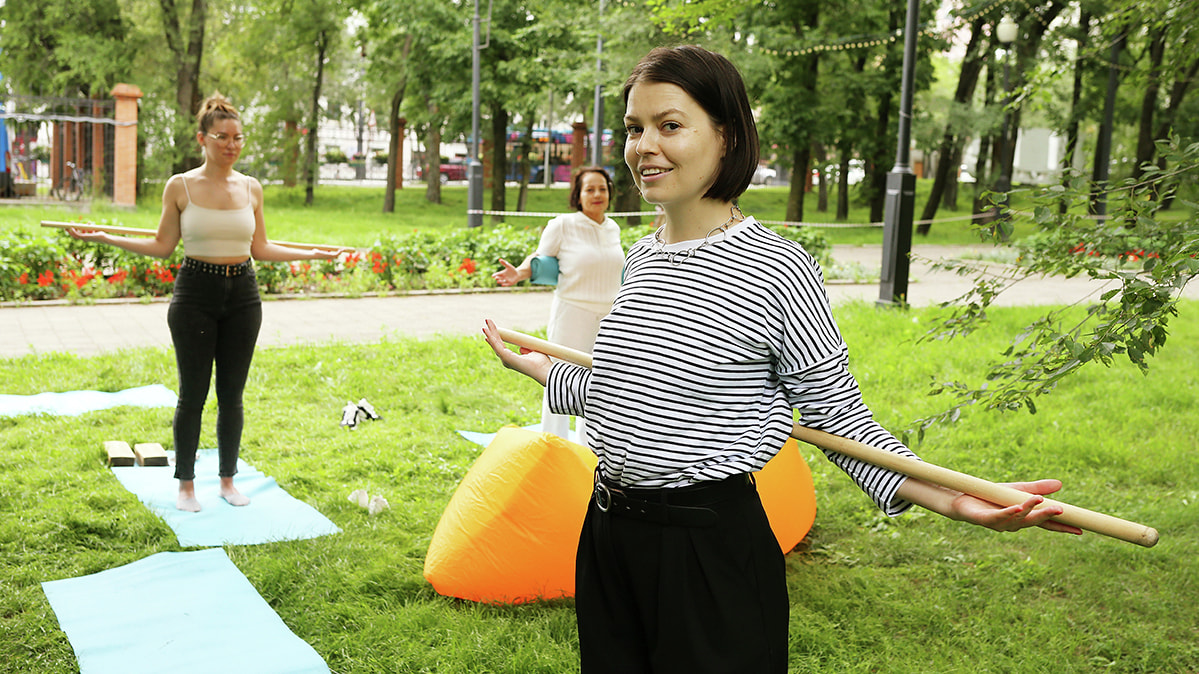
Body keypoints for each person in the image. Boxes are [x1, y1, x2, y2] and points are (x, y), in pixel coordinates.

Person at [482, 45, 1082, 673]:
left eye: (670, 125)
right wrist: (542, 371)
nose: (644, 146)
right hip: (608, 532)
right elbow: (632, 392)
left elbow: (839, 421)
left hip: (708, 548)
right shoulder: (641, 257)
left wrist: (956, 499)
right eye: (635, 128)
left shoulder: (775, 267)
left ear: (727, 135)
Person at [70, 93, 341, 513]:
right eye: (222, 137)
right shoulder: (180, 186)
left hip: (244, 295)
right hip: (196, 292)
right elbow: (162, 246)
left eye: (238, 138)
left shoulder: (251, 187)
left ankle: (228, 480)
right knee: (192, 394)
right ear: (203, 138)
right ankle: (186, 486)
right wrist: (105, 239)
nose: (231, 145)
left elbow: (262, 247)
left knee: (232, 395)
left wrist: (314, 254)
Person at [491, 167, 624, 444]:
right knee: (558, 379)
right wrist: (519, 273)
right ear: (578, 195)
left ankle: (589, 449)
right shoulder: (563, 224)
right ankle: (551, 444)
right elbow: (540, 257)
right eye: (590, 189)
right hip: (572, 313)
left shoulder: (613, 227)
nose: (597, 194)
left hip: (608, 317)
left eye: (602, 188)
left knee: (596, 384)